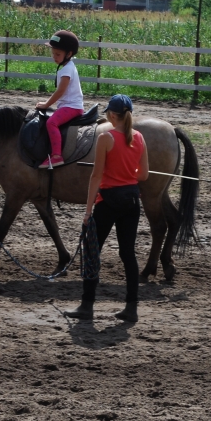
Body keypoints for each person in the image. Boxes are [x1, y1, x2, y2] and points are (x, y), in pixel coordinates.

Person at [65, 94, 149, 323]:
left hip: (108, 202)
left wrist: (88, 211)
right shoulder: (139, 137)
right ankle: (131, 308)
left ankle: (87, 305)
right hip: (131, 201)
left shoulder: (105, 138)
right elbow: (143, 175)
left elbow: (96, 176)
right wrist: (128, 170)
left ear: (112, 115)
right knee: (128, 254)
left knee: (93, 251)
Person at [36, 30, 84, 169]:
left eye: (58, 54)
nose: (54, 57)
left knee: (51, 123)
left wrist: (46, 104)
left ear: (68, 54)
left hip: (72, 107)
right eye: (53, 54)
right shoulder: (67, 67)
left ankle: (56, 156)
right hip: (69, 105)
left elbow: (60, 91)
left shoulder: (67, 70)